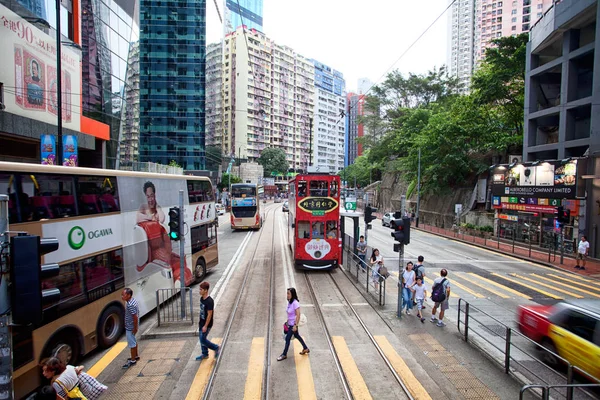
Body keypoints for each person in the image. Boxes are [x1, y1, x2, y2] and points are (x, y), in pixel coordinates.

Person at [42, 357, 107, 400]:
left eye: (46, 371)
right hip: (82, 394)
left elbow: (63, 398)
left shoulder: (56, 383)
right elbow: (81, 367)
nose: (43, 373)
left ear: (53, 371)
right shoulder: (69, 367)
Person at [278, 288, 309, 361]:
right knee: (297, 336)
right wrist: (287, 322)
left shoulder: (295, 303)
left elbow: (298, 315)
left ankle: (284, 354)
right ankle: (305, 348)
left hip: (293, 325)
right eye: (287, 293)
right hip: (290, 324)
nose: (287, 295)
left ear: (292, 294)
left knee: (287, 339)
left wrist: (295, 326)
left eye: (288, 293)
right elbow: (290, 314)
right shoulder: (290, 302)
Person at [196, 281, 220, 360]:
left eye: (201, 289)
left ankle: (216, 347)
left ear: (206, 290)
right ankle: (205, 353)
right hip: (201, 322)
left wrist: (205, 326)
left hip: (207, 324)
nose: (199, 291)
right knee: (201, 338)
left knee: (203, 339)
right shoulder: (202, 299)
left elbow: (209, 314)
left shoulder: (209, 301)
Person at [122, 288, 139, 368]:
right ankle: (135, 356)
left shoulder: (130, 305)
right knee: (134, 341)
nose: (122, 296)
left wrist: (134, 328)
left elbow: (134, 317)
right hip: (132, 325)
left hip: (130, 326)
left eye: (123, 295)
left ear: (129, 295)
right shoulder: (133, 301)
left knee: (132, 343)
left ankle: (133, 360)